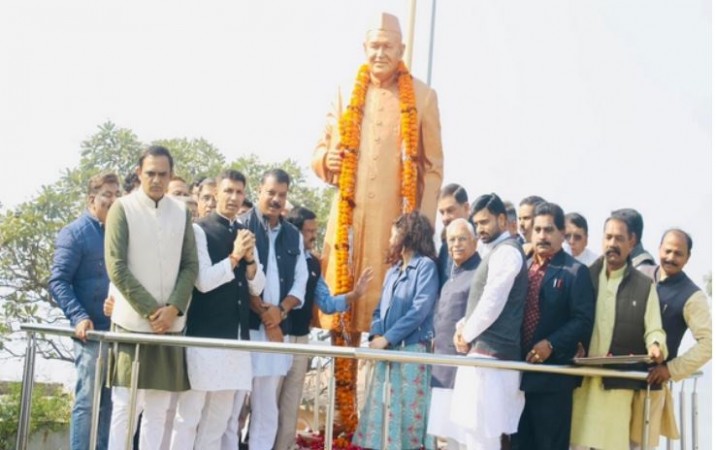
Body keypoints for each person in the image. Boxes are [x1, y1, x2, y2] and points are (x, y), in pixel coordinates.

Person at [312, 11, 444, 332]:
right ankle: (340, 379)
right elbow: (319, 149)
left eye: (387, 46)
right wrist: (325, 160)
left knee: (387, 312)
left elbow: (433, 167)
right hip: (348, 221)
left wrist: (418, 224)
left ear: (401, 49)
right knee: (341, 311)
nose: (380, 53)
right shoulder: (346, 91)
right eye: (374, 46)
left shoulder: (423, 96)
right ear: (364, 48)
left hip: (393, 221)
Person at [105, 146, 199, 450]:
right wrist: (151, 311)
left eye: (162, 174)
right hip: (131, 323)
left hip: (170, 326)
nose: (156, 179)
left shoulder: (181, 212)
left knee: (159, 410)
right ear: (138, 173)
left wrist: (172, 309)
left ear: (170, 175)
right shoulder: (122, 208)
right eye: (150, 173)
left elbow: (190, 265)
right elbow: (116, 266)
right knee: (125, 407)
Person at [170, 170, 266, 450]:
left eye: (239, 192)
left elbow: (258, 287)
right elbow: (202, 282)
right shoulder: (199, 230)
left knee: (219, 420)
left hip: (235, 341)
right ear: (217, 194)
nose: (234, 198)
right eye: (229, 191)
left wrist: (248, 261)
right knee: (188, 417)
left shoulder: (245, 234)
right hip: (205, 337)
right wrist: (234, 257)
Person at [274, 206, 373, 450]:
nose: (313, 236)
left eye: (314, 231)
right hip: (274, 336)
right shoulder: (278, 255)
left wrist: (354, 295)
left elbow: (327, 303)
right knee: (267, 401)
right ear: (295, 231)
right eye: (308, 231)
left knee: (290, 403)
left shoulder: (314, 264)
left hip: (300, 339)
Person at [570, 213, 666, 450]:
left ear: (631, 243)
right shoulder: (583, 276)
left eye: (619, 238)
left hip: (616, 388)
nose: (612, 244)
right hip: (580, 384)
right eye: (608, 237)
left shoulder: (644, 286)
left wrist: (656, 346)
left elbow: (654, 329)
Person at [353, 211, 439, 450]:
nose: (390, 238)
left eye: (394, 233)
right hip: (387, 353)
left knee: (408, 419)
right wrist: (376, 336)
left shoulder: (426, 267)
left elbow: (419, 310)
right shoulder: (393, 271)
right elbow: (379, 309)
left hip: (411, 352)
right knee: (384, 415)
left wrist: (388, 338)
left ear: (407, 235)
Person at [235, 168, 308, 450]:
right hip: (246, 330)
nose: (276, 200)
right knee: (232, 408)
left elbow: (300, 280)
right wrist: (267, 317)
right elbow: (239, 278)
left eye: (282, 195)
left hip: (277, 332)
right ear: (259, 192)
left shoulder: (293, 235)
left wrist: (281, 311)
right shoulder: (241, 226)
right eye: (271, 193)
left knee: (267, 409)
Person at [49, 172, 121, 450]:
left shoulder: (119, 234)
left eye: (117, 195)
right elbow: (58, 281)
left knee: (112, 404)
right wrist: (78, 316)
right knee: (87, 403)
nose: (113, 201)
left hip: (117, 332)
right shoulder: (74, 233)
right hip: (90, 335)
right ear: (93, 199)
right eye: (107, 195)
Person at [451, 193, 528, 450]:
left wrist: (467, 334)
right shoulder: (496, 252)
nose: (480, 229)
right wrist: (461, 327)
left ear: (503, 220)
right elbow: (482, 301)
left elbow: (493, 302)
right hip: (484, 359)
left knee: (484, 438)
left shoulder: (507, 253)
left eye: (485, 222)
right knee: (476, 436)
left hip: (493, 360)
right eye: (477, 223)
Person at [516, 202, 595, 450]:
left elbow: (583, 320)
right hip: (517, 376)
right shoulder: (522, 267)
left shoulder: (574, 272)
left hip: (553, 379)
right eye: (537, 229)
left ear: (562, 233)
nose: (542, 236)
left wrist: (551, 344)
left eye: (549, 230)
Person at [630, 229, 712, 447]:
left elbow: (708, 345)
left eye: (678, 253)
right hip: (616, 383)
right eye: (668, 251)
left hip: (648, 390)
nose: (671, 258)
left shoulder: (692, 296)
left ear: (688, 257)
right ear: (659, 249)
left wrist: (671, 370)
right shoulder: (640, 276)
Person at [427, 218, 480, 449]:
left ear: (475, 242)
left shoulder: (479, 273)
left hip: (465, 369)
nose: (456, 244)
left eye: (462, 238)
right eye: (451, 240)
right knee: (448, 436)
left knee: (464, 436)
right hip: (443, 365)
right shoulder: (452, 274)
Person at [436, 184, 470, 287]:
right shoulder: (444, 249)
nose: (445, 218)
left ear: (466, 208)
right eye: (442, 212)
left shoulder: (479, 243)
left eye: (450, 211)